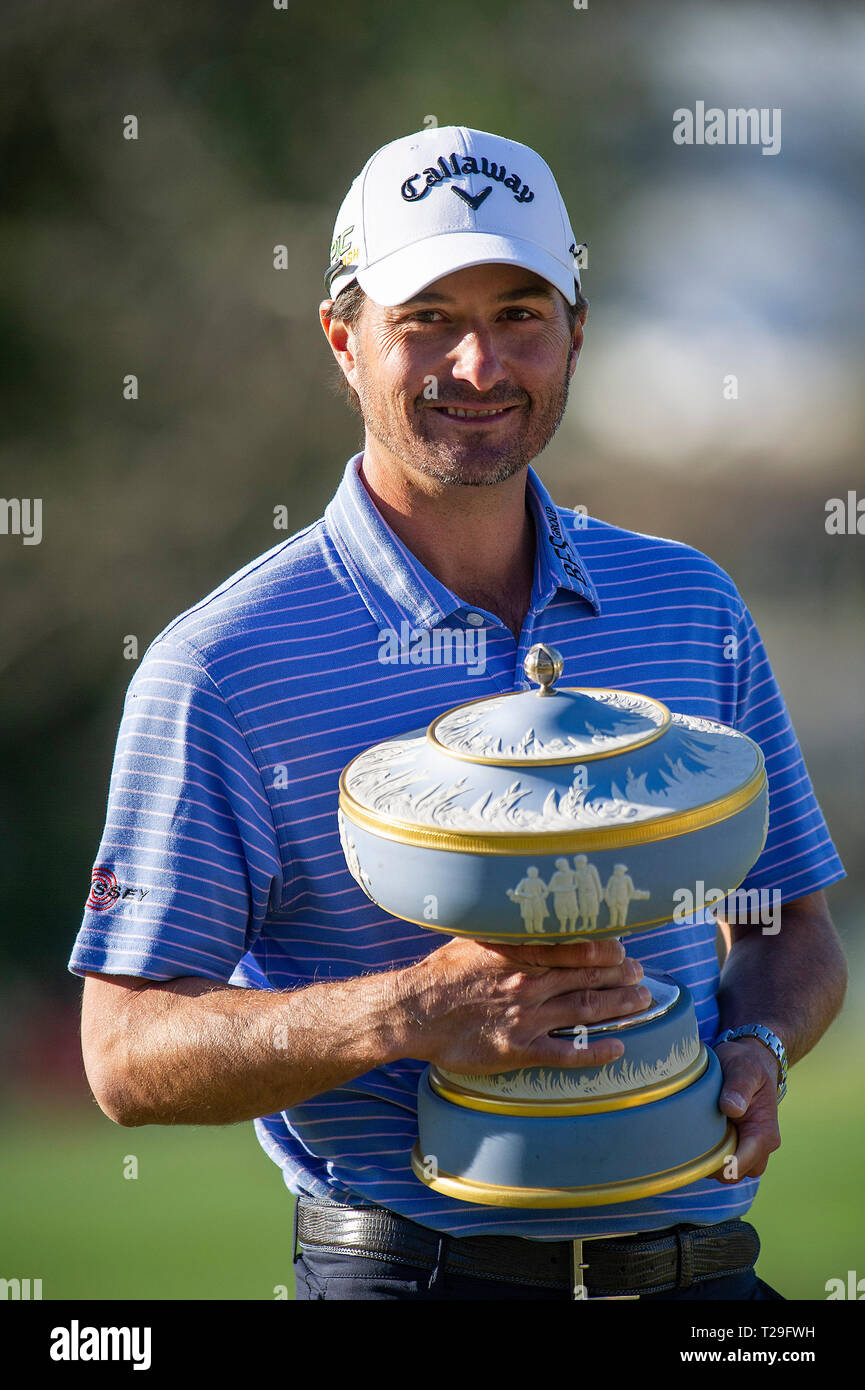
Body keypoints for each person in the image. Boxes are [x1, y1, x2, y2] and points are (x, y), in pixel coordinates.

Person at [70, 126, 847, 1301]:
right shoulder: (219, 665)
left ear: (577, 330)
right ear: (344, 338)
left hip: (705, 1282)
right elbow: (125, 1055)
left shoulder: (689, 601)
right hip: (416, 1281)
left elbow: (787, 921)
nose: (480, 365)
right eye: (427, 316)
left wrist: (759, 1045)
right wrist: (412, 1012)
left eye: (521, 313)